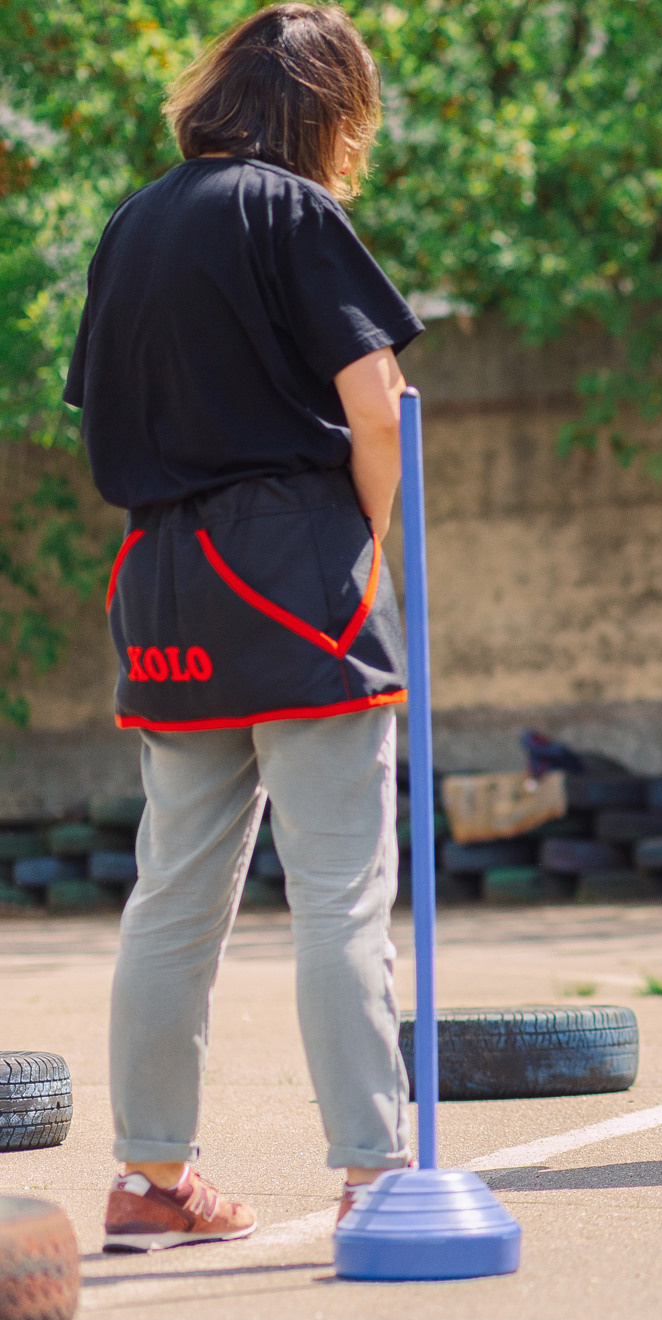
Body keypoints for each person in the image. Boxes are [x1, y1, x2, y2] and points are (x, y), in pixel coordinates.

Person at [63, 4, 422, 1249]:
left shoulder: (132, 224)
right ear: (330, 110)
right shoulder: (292, 210)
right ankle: (376, 1174)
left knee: (173, 892)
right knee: (337, 892)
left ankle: (151, 1183)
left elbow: (99, 403)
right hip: (290, 558)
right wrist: (375, 545)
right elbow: (376, 410)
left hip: (161, 569)